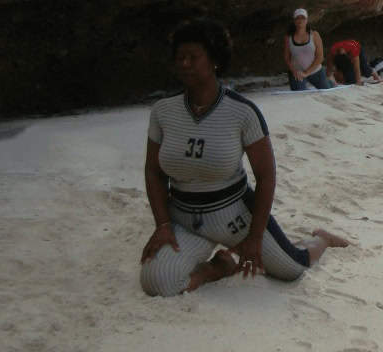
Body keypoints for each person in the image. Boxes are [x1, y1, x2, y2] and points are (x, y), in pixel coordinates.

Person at [140, 18, 349, 297]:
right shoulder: (163, 112)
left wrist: (254, 237)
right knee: (157, 281)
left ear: (214, 60)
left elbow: (265, 175)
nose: (185, 64)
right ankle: (219, 267)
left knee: (293, 268)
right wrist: (163, 226)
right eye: (180, 58)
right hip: (184, 217)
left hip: (235, 216)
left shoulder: (242, 112)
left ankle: (320, 239)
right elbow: (153, 172)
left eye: (193, 57)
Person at [282, 8, 333, 91]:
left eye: (303, 18)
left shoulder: (315, 35)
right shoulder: (288, 37)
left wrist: (306, 73)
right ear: (294, 21)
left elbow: (320, 57)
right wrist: (294, 71)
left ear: (307, 20)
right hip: (297, 73)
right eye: (297, 18)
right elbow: (287, 57)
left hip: (315, 71)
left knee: (326, 90)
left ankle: (330, 82)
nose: (300, 20)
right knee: (299, 95)